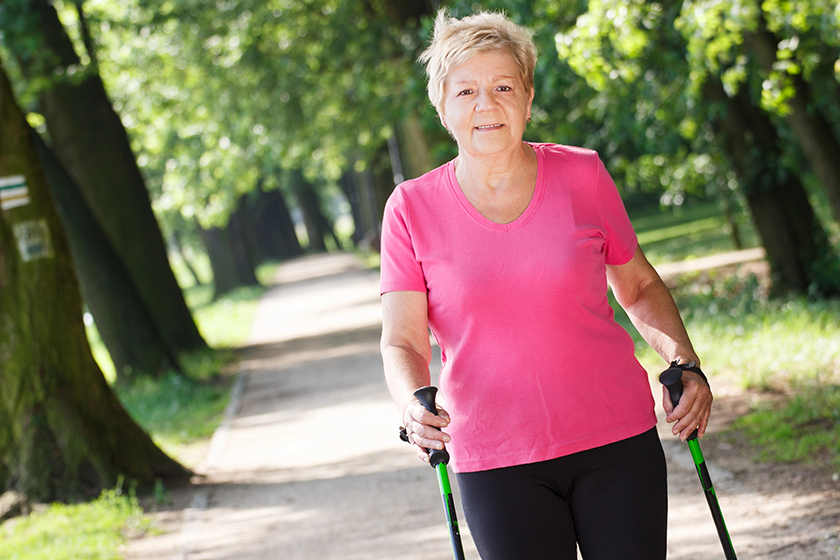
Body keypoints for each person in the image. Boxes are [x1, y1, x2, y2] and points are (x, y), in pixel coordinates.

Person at [379, 10, 713, 560]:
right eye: (466, 90)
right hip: (494, 457)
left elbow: (638, 286)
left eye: (503, 86)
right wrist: (412, 406)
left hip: (616, 440)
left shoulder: (583, 175)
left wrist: (685, 361)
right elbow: (403, 342)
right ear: (442, 107)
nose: (486, 104)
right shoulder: (411, 209)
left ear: (528, 98)